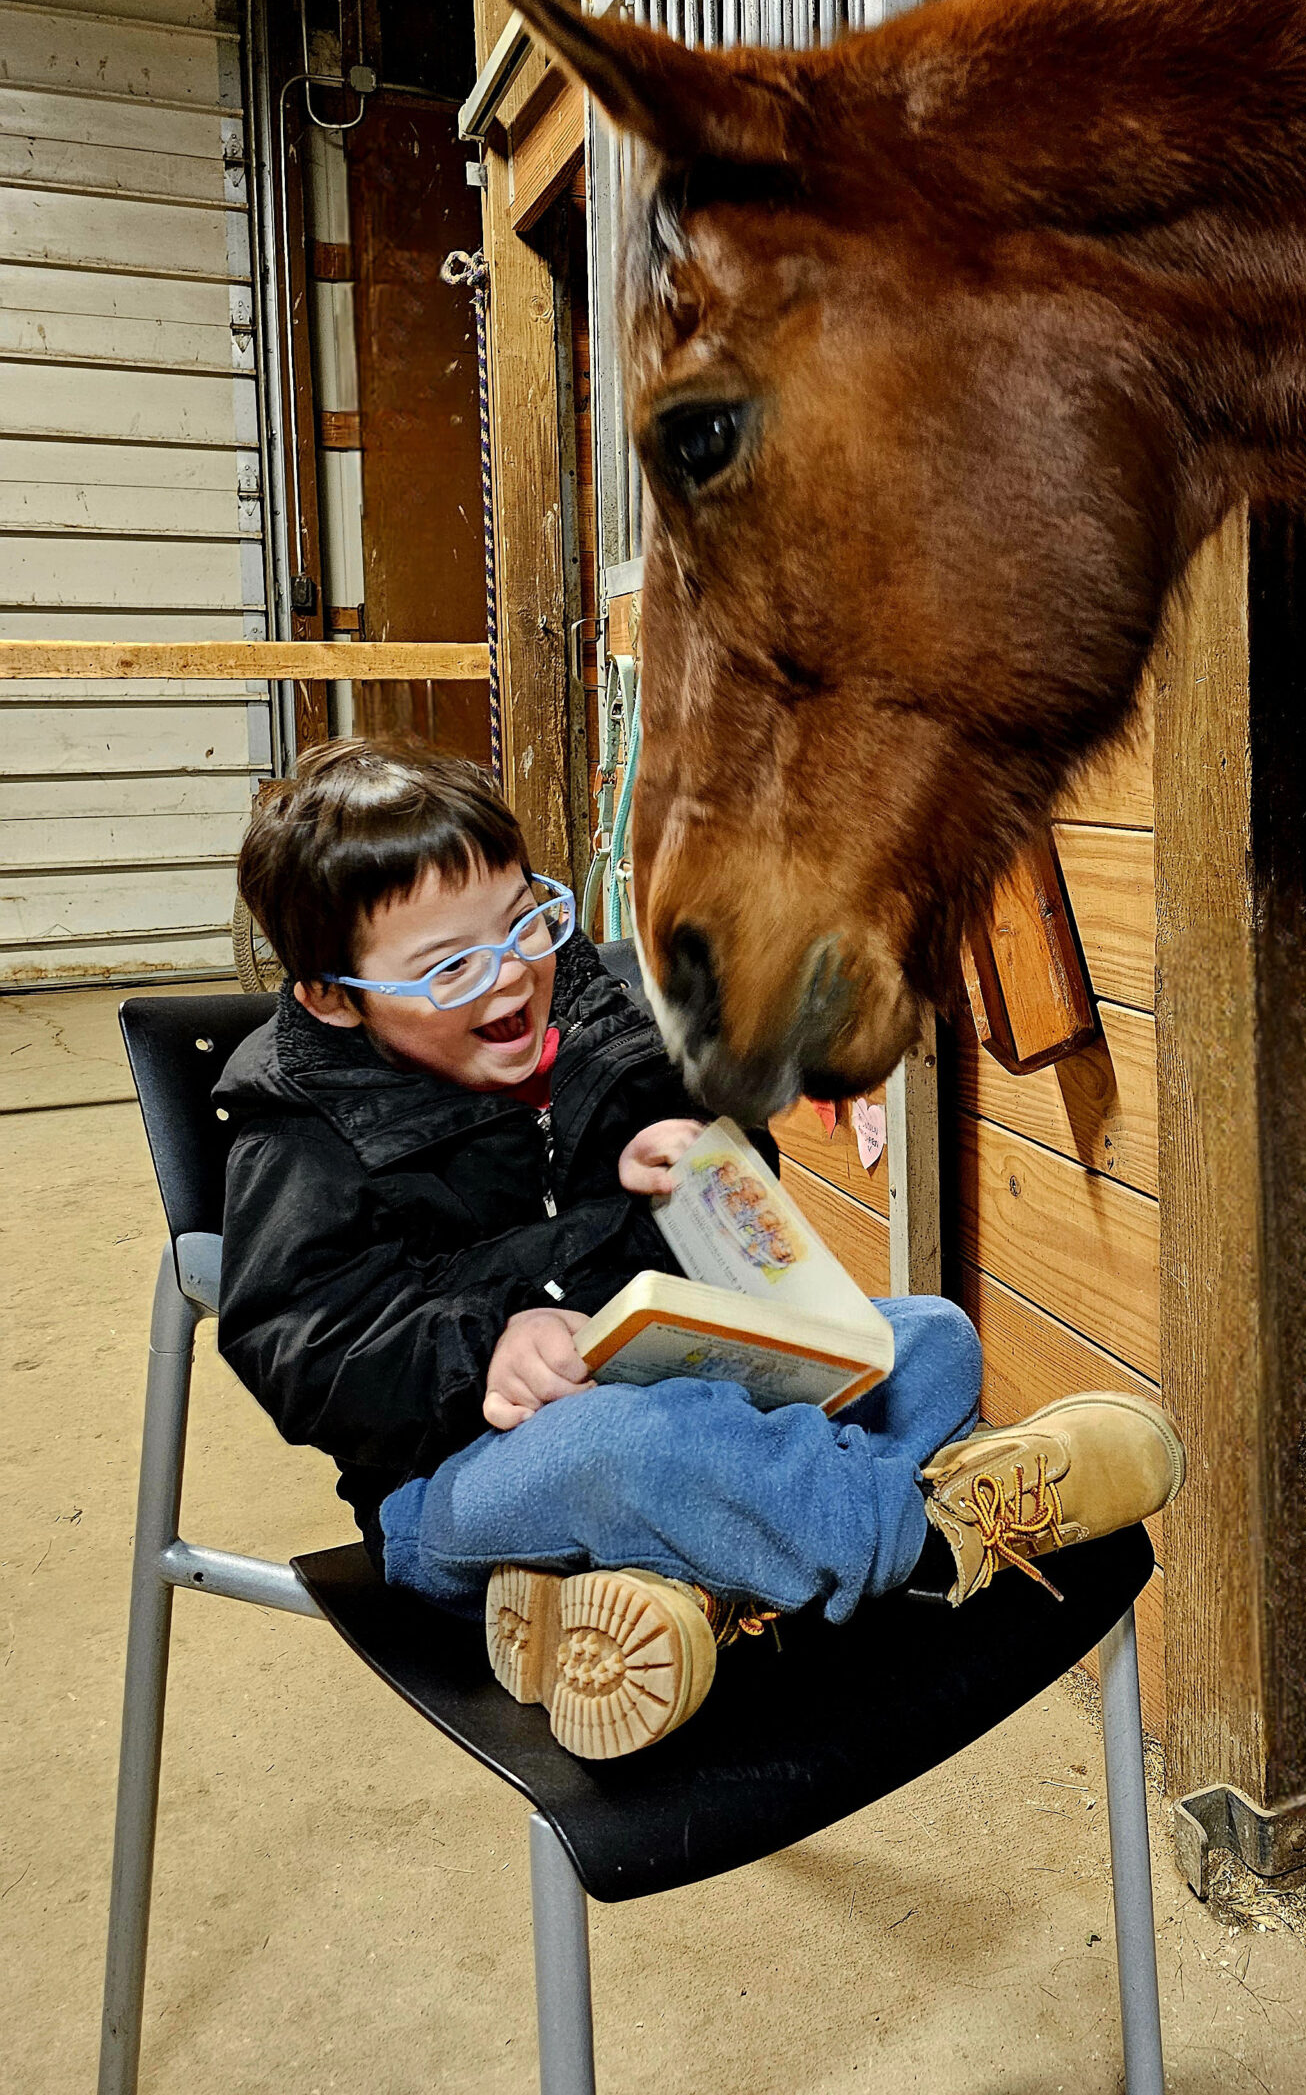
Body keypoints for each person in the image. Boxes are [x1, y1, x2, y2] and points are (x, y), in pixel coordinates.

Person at [217, 738, 1185, 1760]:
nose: (510, 978)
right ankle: (938, 1538)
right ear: (332, 995)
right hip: (462, 1479)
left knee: (929, 1337)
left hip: (676, 1377)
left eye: (523, 923)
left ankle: (673, 1598)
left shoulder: (593, 1017)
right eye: (449, 967)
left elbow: (737, 1185)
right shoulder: (304, 1123)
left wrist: (705, 1162)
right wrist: (480, 1347)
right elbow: (296, 1339)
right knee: (636, 1445)